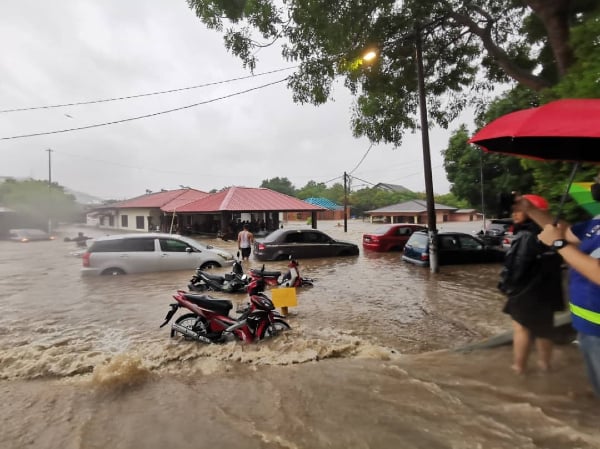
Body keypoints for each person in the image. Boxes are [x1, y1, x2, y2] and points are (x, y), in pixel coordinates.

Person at [514, 183, 600, 396]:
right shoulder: (597, 221)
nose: (596, 182)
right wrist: (530, 209)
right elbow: (564, 231)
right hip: (588, 327)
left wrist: (559, 245)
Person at [498, 194, 565, 374]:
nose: (514, 214)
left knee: (521, 328)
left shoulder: (525, 235)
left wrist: (505, 286)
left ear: (532, 212)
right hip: (548, 290)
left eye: (519, 210)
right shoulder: (552, 234)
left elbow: (516, 265)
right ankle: (545, 366)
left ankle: (518, 367)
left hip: (525, 291)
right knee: (544, 329)